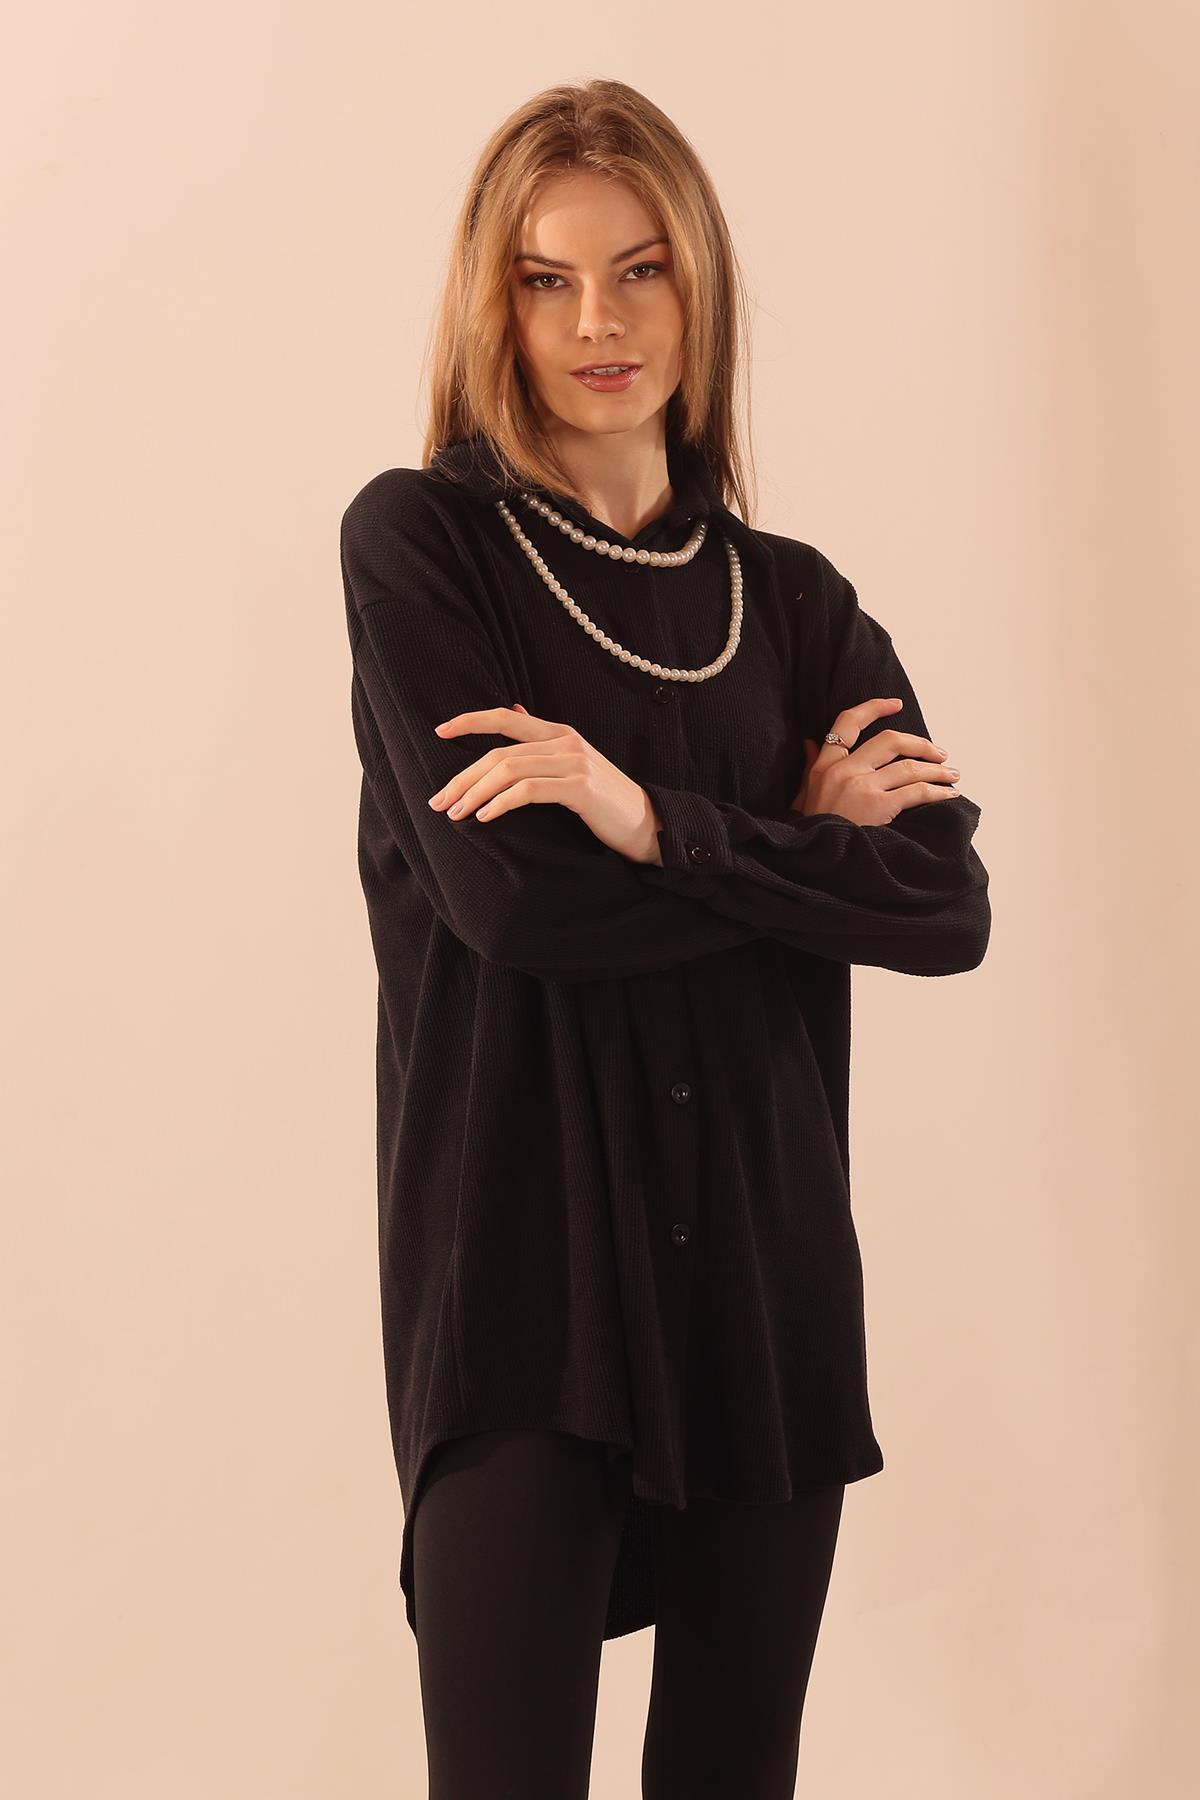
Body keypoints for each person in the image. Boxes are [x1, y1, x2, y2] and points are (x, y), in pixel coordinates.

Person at [340, 78, 990, 1800]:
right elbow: (515, 906)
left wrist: (646, 819)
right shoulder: (422, 547)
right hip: (524, 1288)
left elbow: (944, 905)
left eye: (640, 271)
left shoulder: (796, 602)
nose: (599, 323)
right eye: (546, 281)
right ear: (493, 304)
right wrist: (798, 850)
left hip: (765, 1291)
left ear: (700, 286)